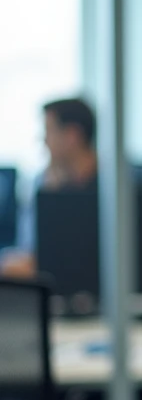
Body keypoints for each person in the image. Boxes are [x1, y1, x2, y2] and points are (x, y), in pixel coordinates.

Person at [0, 97, 98, 278]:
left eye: (48, 131)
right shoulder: (45, 181)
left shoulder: (112, 191)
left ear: (72, 136)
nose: (44, 141)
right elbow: (27, 247)